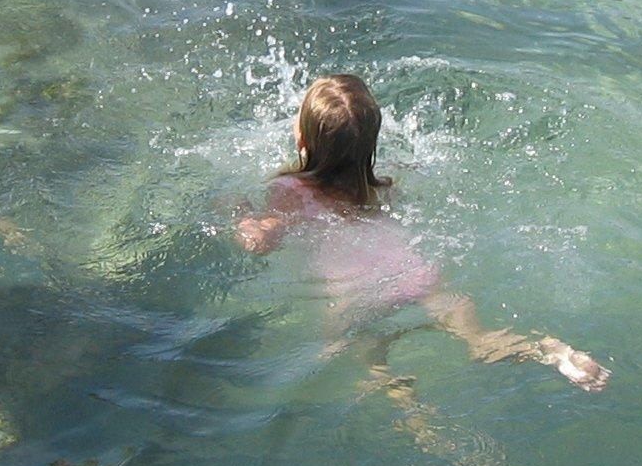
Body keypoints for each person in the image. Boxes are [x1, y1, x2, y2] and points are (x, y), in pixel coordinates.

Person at [237, 74, 608, 393]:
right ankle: (546, 350)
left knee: (349, 350)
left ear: (302, 139)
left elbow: (265, 236)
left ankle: (407, 405)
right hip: (417, 273)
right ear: (370, 146)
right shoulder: (381, 185)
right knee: (480, 341)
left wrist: (242, 218)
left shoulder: (291, 189)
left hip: (356, 293)